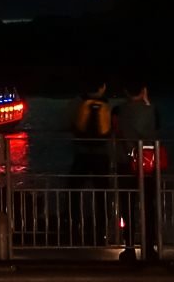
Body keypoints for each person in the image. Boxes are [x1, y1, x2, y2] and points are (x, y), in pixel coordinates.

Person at [114, 83, 162, 262]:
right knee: (149, 206)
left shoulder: (119, 110)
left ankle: (129, 247)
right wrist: (148, 104)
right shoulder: (151, 111)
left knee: (127, 207)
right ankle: (150, 248)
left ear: (126, 91)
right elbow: (155, 131)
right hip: (147, 165)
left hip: (125, 163)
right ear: (144, 90)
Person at [68, 83, 116, 244]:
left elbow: (68, 124)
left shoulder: (78, 104)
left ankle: (73, 227)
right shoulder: (107, 105)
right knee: (102, 192)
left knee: (73, 190)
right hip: (101, 155)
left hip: (81, 153)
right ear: (103, 87)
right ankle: (101, 230)